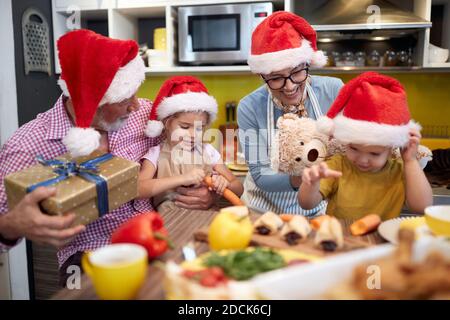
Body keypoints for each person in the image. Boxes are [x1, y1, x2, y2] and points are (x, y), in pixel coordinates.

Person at [0, 29, 160, 286]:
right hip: (89, 258)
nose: (136, 106)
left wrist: (200, 186)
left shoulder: (145, 117)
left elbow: (191, 145)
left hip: (155, 238)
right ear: (90, 100)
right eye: (124, 99)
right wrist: (11, 225)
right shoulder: (28, 144)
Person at [237, 11, 344, 216]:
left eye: (296, 72)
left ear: (307, 64)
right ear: (263, 75)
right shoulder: (249, 107)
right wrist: (306, 177)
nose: (289, 87)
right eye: (276, 78)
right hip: (261, 210)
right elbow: (261, 175)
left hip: (318, 207)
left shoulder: (333, 90)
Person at [299, 72, 433, 220]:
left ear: (391, 149)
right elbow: (306, 204)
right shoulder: (337, 166)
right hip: (340, 239)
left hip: (382, 240)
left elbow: (422, 207)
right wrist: (311, 184)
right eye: (354, 148)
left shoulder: (400, 172)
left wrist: (410, 160)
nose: (363, 159)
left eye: (375, 154)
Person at [139, 76, 243, 212]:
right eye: (184, 127)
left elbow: (239, 188)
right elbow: (138, 189)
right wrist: (182, 179)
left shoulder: (208, 152)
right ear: (166, 124)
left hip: (207, 217)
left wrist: (224, 184)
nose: (193, 135)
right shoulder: (156, 153)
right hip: (170, 221)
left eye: (199, 128)